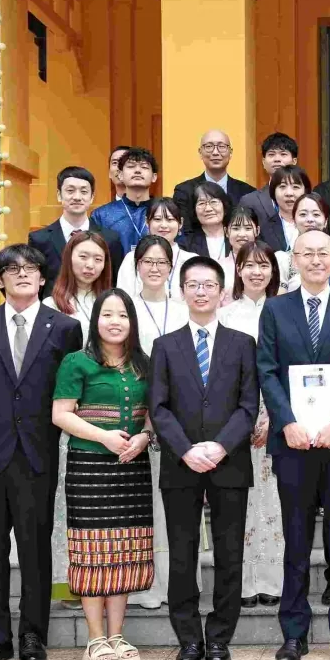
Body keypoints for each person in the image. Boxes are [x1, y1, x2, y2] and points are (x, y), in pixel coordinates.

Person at [0, 245, 83, 660]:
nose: (23, 275)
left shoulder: (65, 328)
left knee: (34, 547)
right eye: (12, 270)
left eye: (31, 269)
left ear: (44, 278)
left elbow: (67, 389)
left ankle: (33, 635)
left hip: (37, 451)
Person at [256, 229, 330, 660]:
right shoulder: (276, 309)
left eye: (325, 252)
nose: (317, 260)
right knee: (297, 543)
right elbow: (266, 371)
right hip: (293, 445)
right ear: (295, 259)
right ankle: (293, 634)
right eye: (308, 253)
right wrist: (286, 423)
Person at [149, 256, 259, 660]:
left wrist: (219, 447)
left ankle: (220, 636)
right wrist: (187, 450)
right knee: (182, 552)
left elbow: (248, 406)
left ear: (221, 291)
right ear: (182, 291)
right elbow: (158, 408)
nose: (200, 291)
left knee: (230, 552)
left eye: (208, 285)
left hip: (229, 463)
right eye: (192, 285)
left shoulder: (241, 344)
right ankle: (189, 637)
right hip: (181, 465)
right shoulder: (164, 346)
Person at [51, 289, 155, 660]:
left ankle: (117, 635)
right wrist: (104, 437)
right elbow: (61, 414)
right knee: (94, 553)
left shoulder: (145, 363)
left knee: (126, 551)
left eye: (123, 315)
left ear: (132, 322)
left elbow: (155, 411)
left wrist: (145, 436)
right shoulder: (77, 362)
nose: (115, 321)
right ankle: (95, 640)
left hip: (132, 468)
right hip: (89, 468)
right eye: (107, 314)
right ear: (95, 320)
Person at [219, 241, 285, 609]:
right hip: (237, 416)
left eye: (264, 265)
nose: (257, 272)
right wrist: (242, 418)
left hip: (278, 414)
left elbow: (288, 369)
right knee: (241, 500)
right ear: (238, 270)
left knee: (274, 500)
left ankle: (273, 580)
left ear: (273, 271)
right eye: (249, 265)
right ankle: (245, 582)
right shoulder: (225, 315)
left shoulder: (283, 311)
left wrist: (273, 414)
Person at [125, 234, 189, 610]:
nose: (154, 268)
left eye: (161, 262)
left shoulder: (183, 308)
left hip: (177, 420)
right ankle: (141, 584)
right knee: (141, 505)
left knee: (173, 510)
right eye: (147, 262)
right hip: (134, 416)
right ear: (137, 267)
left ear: (171, 268)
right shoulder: (125, 308)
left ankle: (173, 583)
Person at [29, 166, 124, 297]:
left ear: (92, 197)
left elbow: (114, 282)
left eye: (84, 191)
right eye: (70, 191)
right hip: (54, 311)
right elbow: (35, 285)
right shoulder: (39, 239)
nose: (77, 197)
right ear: (59, 195)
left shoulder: (110, 239)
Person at [172, 130, 255, 233]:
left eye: (222, 146)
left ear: (230, 152)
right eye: (209, 147)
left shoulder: (248, 192)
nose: (215, 152)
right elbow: (184, 231)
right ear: (200, 152)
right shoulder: (184, 191)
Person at [116, 198, 195, 304]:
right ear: (147, 222)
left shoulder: (191, 260)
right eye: (157, 219)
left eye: (170, 219)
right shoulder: (132, 258)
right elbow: (123, 299)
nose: (163, 225)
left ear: (180, 223)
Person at [92, 147, 158, 256]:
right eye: (131, 166)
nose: (137, 170)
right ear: (121, 175)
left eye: (144, 167)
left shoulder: (165, 212)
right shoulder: (101, 215)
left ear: (154, 177)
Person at [45, 230, 113, 335]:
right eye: (83, 257)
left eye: (98, 259)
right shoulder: (51, 305)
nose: (90, 265)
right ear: (69, 258)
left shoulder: (113, 302)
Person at [239, 132, 300, 224]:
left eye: (283, 154)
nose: (277, 159)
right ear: (263, 162)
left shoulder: (308, 199)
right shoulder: (250, 201)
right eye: (271, 154)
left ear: (294, 161)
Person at [181, 182, 234, 268]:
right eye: (201, 203)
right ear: (194, 210)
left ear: (225, 206)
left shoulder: (236, 239)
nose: (208, 209)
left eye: (213, 202)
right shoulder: (186, 244)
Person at [261, 164, 311, 254]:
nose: (289, 193)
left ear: (306, 191)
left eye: (295, 187)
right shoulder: (263, 228)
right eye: (282, 187)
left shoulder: (316, 224)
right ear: (273, 192)